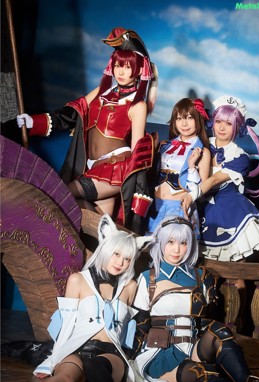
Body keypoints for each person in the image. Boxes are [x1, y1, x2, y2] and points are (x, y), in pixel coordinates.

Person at [125, 216, 259, 382]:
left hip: (192, 345)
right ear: (161, 243)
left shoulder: (201, 276)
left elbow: (203, 321)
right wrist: (127, 357)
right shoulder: (149, 278)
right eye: (171, 242)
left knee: (221, 331)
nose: (177, 249)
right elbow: (140, 323)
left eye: (183, 243)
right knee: (201, 374)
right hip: (161, 352)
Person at [16, 27, 158, 234]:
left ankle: (26, 228)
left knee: (62, 192)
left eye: (128, 67)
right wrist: (33, 122)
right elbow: (73, 112)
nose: (121, 71)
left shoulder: (138, 105)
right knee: (101, 231)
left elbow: (138, 151)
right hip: (92, 168)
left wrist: (138, 191)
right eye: (118, 64)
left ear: (138, 70)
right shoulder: (102, 92)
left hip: (114, 170)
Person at [22, 213, 153, 382]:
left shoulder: (131, 287)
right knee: (65, 380)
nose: (120, 262)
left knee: (96, 365)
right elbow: (66, 325)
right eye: (116, 254)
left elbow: (132, 329)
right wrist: (53, 359)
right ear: (105, 250)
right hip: (77, 349)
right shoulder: (77, 280)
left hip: (111, 356)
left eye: (127, 258)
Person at [180, 95, 259, 329]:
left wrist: (192, 194)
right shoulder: (199, 143)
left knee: (234, 273)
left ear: (237, 127)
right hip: (201, 213)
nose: (222, 127)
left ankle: (235, 326)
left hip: (230, 213)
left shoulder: (239, 157)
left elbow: (212, 181)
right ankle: (200, 322)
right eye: (219, 121)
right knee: (201, 270)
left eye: (229, 123)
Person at [147, 98, 211, 238]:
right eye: (179, 118)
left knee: (175, 252)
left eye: (189, 118)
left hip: (179, 207)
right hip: (155, 206)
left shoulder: (203, 152)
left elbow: (200, 191)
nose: (184, 123)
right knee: (149, 252)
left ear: (198, 119)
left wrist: (191, 166)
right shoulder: (164, 145)